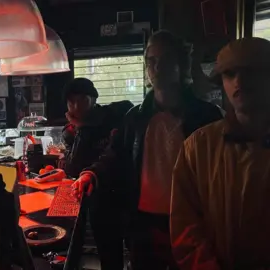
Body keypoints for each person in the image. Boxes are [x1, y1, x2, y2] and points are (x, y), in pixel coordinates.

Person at [72, 30, 222, 270]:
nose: (157, 67)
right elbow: (115, 155)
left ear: (182, 64)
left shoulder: (207, 116)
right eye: (151, 60)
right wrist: (91, 173)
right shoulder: (135, 117)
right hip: (143, 225)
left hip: (193, 224)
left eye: (165, 60)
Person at [171, 37, 270, 269]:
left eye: (251, 71)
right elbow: (185, 227)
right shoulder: (198, 147)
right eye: (229, 74)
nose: (239, 81)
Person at [62, 77, 133, 269]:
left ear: (93, 99)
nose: (76, 106)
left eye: (82, 100)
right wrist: (80, 129)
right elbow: (72, 168)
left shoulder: (115, 115)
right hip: (99, 198)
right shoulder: (73, 130)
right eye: (71, 102)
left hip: (127, 193)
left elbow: (118, 154)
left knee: (138, 253)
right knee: (108, 256)